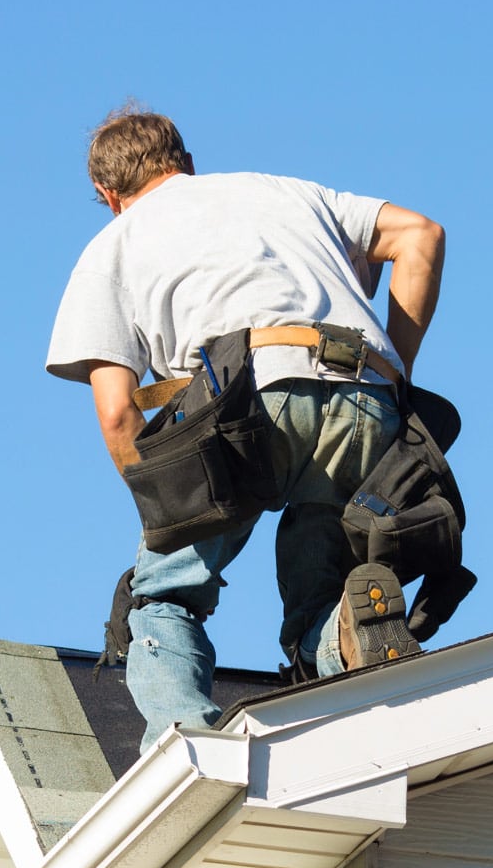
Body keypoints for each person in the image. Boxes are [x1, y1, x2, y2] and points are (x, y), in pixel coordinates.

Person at [47, 106, 444, 751]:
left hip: (245, 398)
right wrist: (393, 371)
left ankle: (186, 748)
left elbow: (118, 412)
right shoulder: (287, 193)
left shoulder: (113, 246)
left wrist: (169, 518)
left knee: (163, 597)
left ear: (107, 195)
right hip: (365, 394)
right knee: (320, 599)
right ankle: (348, 630)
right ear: (186, 162)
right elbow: (421, 234)